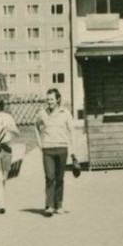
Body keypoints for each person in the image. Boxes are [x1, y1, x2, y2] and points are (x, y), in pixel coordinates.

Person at [32, 87, 77, 217]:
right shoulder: (42, 113)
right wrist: (40, 144)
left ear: (58, 100)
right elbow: (35, 126)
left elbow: (72, 132)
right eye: (48, 99)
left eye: (51, 99)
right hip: (47, 150)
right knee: (49, 177)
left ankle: (59, 205)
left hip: (62, 148)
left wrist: (74, 151)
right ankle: (49, 206)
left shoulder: (66, 113)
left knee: (59, 178)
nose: (49, 102)